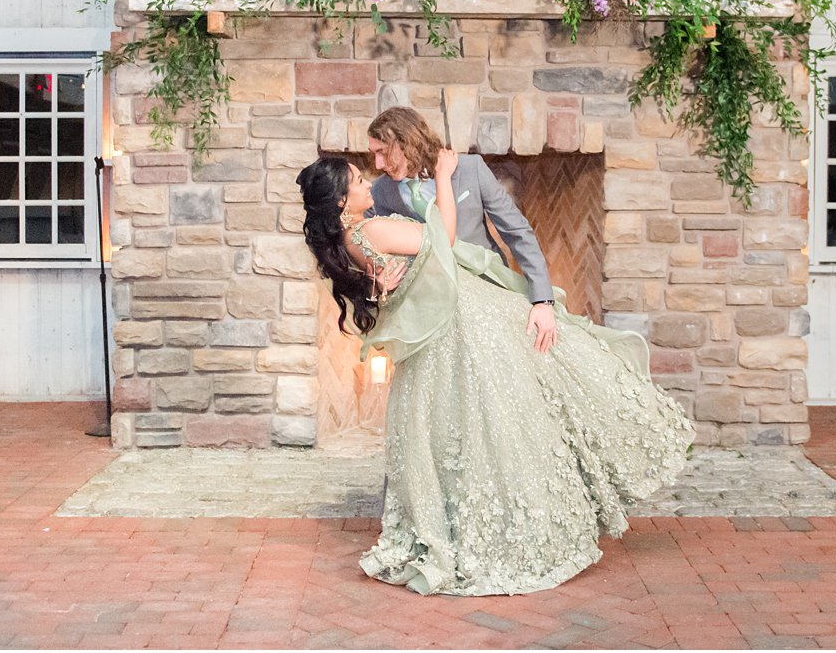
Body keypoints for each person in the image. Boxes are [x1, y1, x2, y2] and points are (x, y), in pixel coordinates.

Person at [295, 149, 695, 597]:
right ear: (343, 199)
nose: (368, 180)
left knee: (480, 425)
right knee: (512, 411)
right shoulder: (372, 227)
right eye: (357, 180)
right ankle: (520, 528)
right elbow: (442, 239)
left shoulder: (347, 242)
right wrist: (444, 178)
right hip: (467, 322)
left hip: (448, 330)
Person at [366, 106, 559, 353]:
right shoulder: (380, 193)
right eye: (373, 154)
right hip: (432, 314)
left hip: (489, 296)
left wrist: (542, 301)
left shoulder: (470, 169)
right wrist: (377, 278)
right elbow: (372, 255)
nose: (378, 164)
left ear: (406, 142)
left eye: (382, 152)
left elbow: (517, 232)